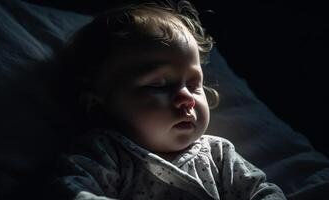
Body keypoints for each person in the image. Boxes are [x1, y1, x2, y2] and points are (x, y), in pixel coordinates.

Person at [48, 1, 286, 199]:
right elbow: (75, 192)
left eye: (194, 85)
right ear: (98, 104)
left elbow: (263, 192)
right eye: (159, 85)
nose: (186, 98)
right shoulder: (106, 153)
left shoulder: (218, 154)